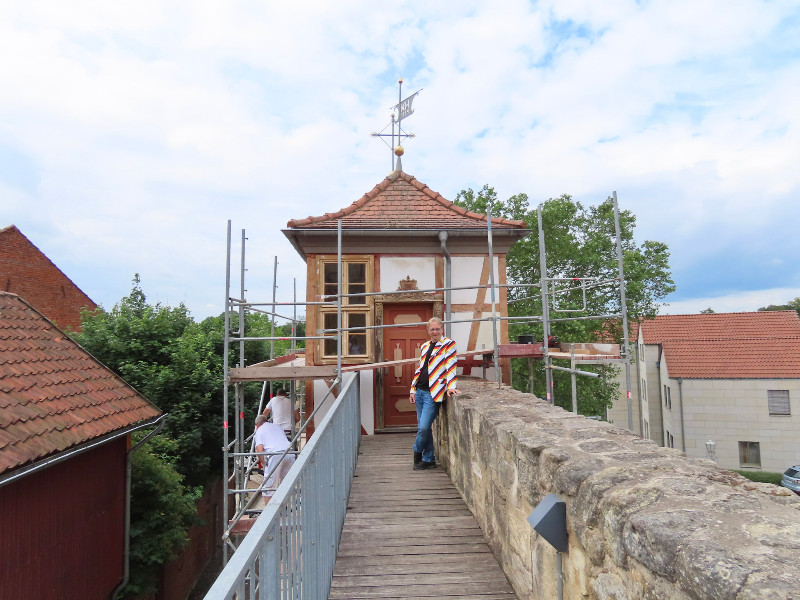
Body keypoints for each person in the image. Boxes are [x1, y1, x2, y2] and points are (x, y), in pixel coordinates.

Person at [409, 317, 459, 470]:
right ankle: (429, 459)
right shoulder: (425, 346)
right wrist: (412, 389)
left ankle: (417, 451)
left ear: (442, 329)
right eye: (432, 329)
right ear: (428, 330)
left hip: (433, 393)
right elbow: (420, 368)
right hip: (420, 391)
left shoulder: (448, 344)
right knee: (424, 428)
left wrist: (451, 386)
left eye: (437, 329)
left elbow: (451, 366)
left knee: (423, 428)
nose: (435, 332)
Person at [254, 415, 295, 500]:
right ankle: (286, 507)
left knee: (269, 488)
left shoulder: (259, 430)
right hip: (289, 453)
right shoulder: (277, 427)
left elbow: (259, 450)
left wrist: (264, 463)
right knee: (287, 484)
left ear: (257, 425)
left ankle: (268, 508)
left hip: (275, 455)